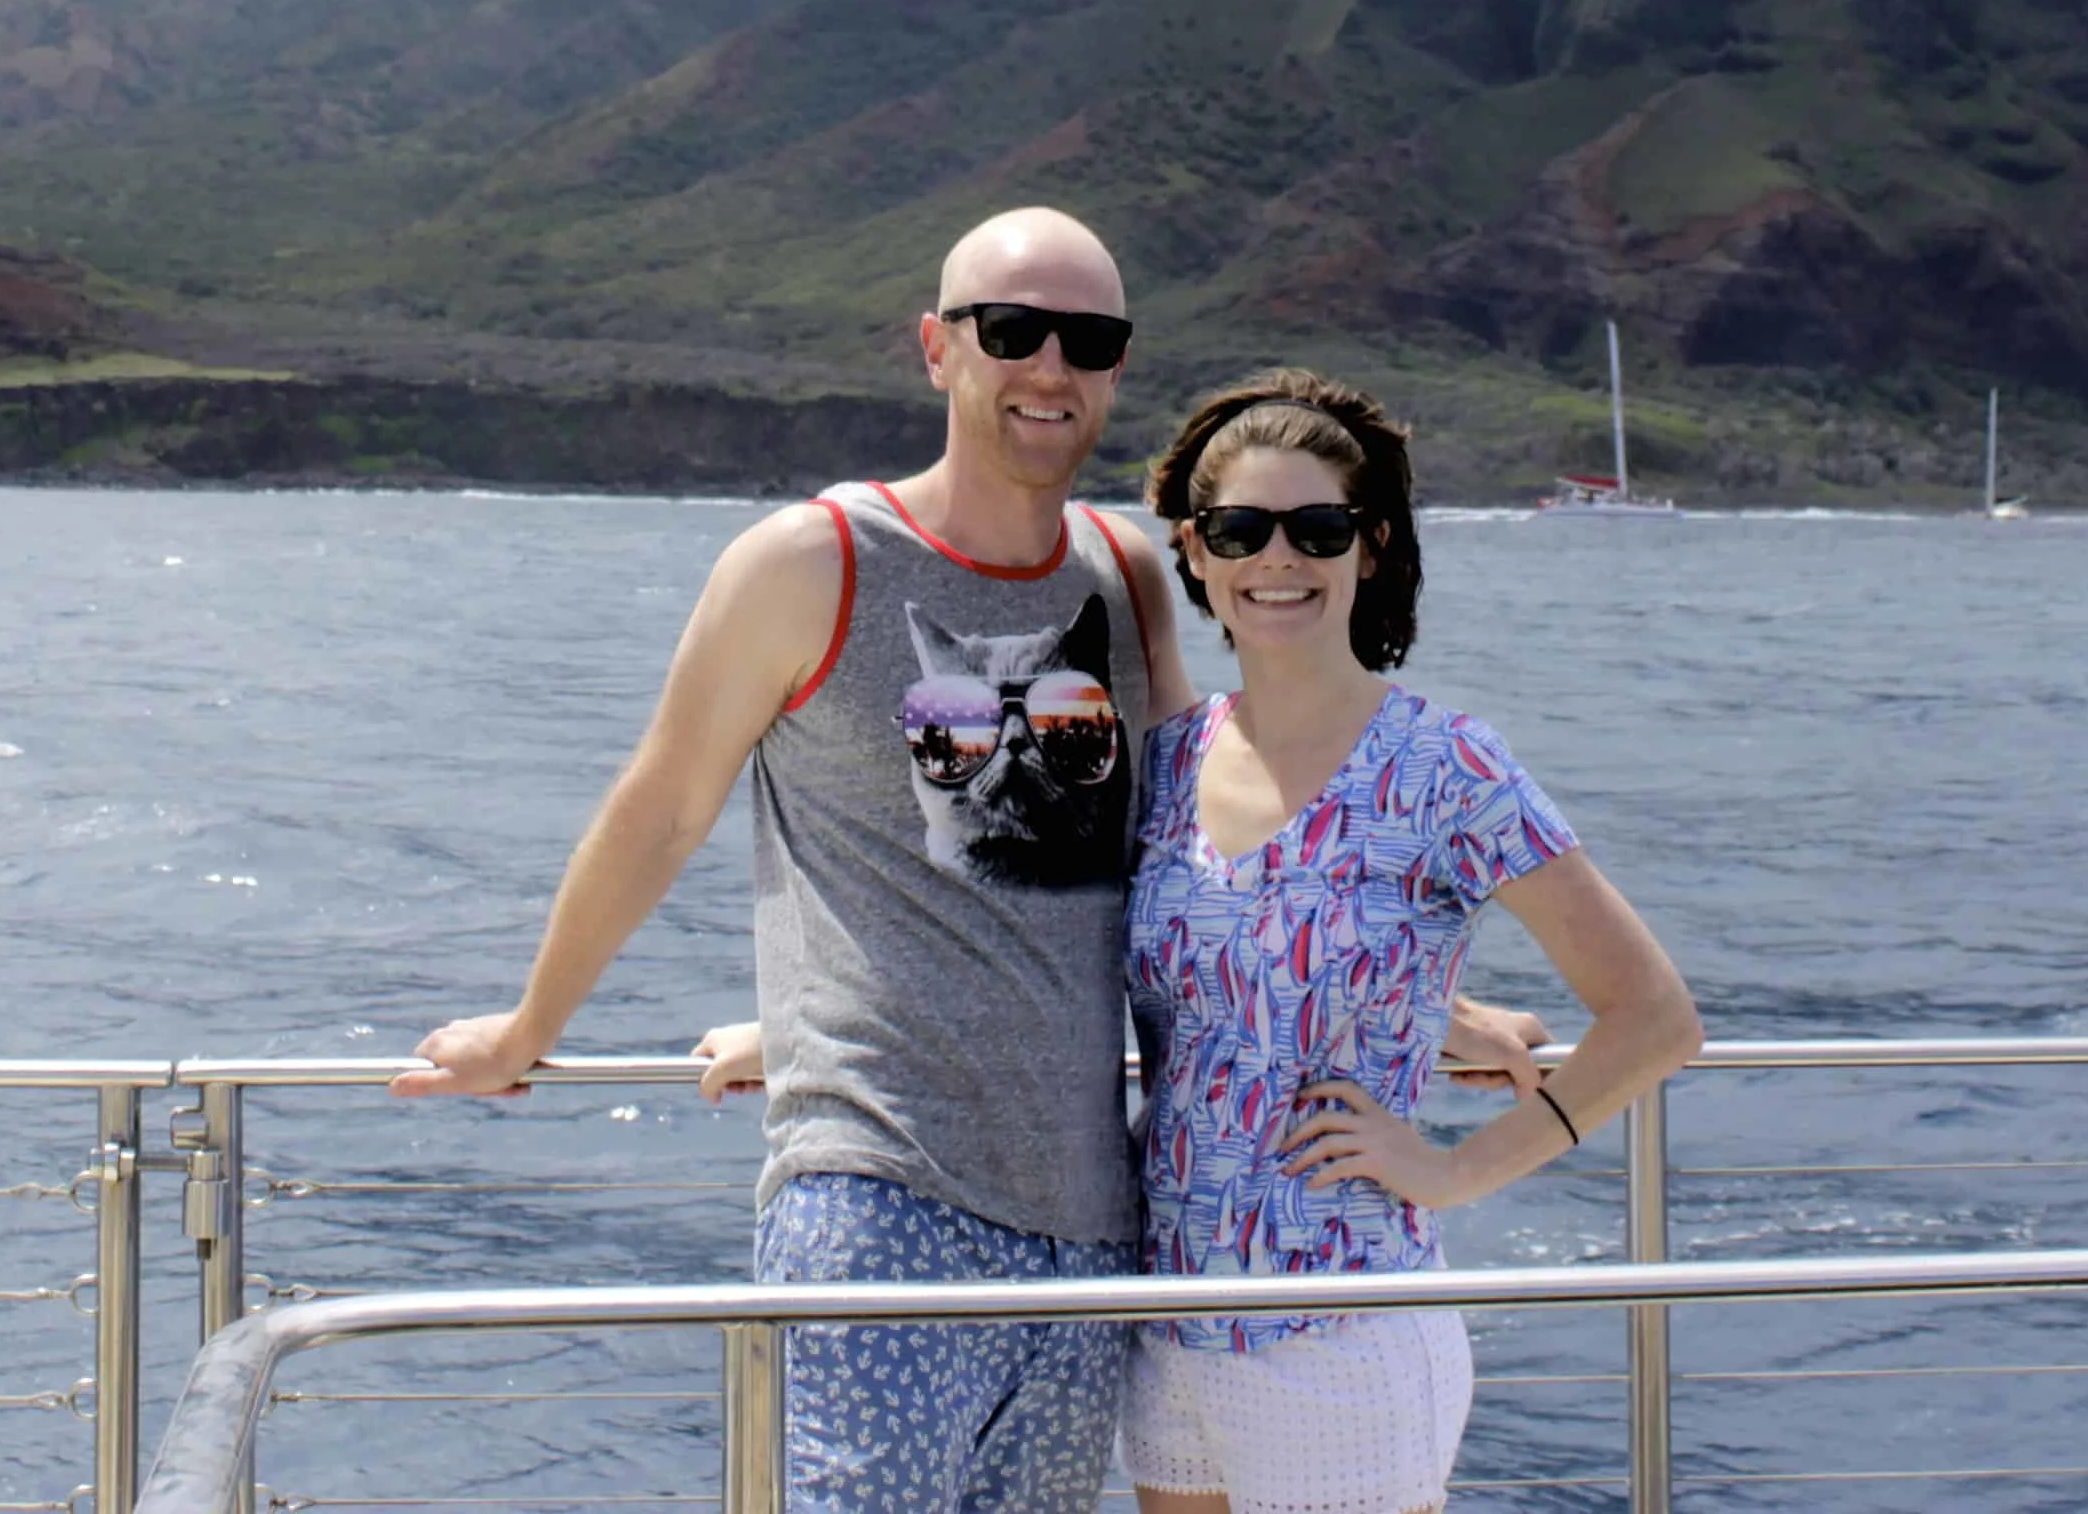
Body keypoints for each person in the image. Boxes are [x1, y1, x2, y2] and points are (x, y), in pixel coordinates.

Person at [396, 207, 1189, 1514]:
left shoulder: (1123, 573)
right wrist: (532, 1024)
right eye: (1013, 331)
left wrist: (1418, 1001)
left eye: (1087, 340)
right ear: (939, 349)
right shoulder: (810, 562)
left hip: (1094, 1224)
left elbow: (1190, 859)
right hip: (882, 1203)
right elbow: (660, 808)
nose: (1050, 367)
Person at [1120, 368, 1702, 1514]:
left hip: (1339, 1321)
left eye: (1317, 527)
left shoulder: (1446, 766)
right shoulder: (1168, 759)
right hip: (1163, 1317)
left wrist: (1451, 1170)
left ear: (1370, 546)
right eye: (1241, 528)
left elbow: (1655, 1019)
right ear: (1197, 551)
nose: (1276, 559)